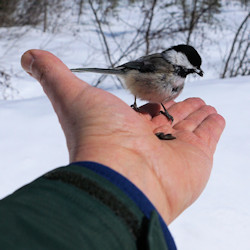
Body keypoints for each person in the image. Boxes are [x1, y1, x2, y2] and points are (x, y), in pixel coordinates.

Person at [0, 50, 225, 249]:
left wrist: (164, 109)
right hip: (135, 80)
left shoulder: (178, 79)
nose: (190, 73)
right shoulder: (160, 64)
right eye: (189, 68)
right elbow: (135, 70)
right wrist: (136, 106)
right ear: (178, 61)